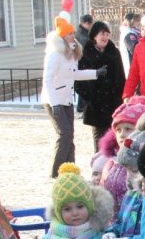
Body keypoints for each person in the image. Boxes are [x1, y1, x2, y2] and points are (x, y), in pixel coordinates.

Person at [40, 13, 105, 177]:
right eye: (69, 33)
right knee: (65, 134)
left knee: (70, 135)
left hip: (66, 99)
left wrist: (95, 73)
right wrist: (54, 104)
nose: (72, 35)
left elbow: (74, 74)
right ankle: (57, 172)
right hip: (53, 100)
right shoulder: (55, 54)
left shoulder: (71, 52)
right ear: (62, 36)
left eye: (72, 33)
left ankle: (70, 169)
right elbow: (47, 80)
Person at [76, 21, 125, 151]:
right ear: (94, 35)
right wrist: (90, 97)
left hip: (113, 105)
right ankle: (98, 170)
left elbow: (121, 77)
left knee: (115, 143)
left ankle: (113, 170)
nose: (105, 37)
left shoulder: (114, 52)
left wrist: (120, 97)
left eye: (107, 35)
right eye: (102, 34)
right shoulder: (85, 53)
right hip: (96, 107)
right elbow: (78, 79)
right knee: (99, 145)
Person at [119, 12, 140, 76]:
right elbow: (134, 49)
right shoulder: (128, 33)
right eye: (135, 20)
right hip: (131, 68)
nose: (137, 22)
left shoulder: (135, 31)